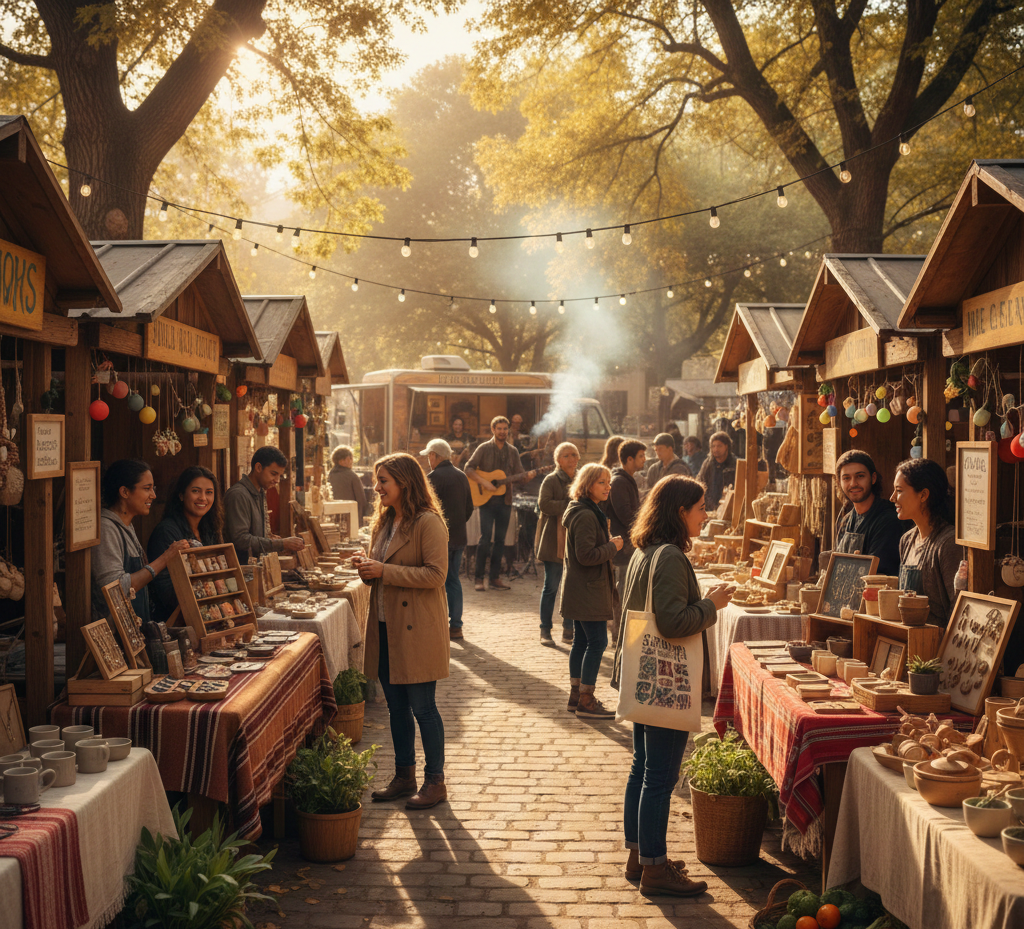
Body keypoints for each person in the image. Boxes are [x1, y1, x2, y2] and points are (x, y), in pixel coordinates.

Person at [612, 475, 731, 897]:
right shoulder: (671, 557)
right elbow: (672, 622)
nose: (705, 515)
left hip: (644, 675)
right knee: (660, 777)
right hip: (665, 680)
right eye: (700, 507)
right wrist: (711, 605)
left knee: (643, 769)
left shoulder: (645, 551)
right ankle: (656, 869)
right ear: (680, 511)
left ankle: (640, 857)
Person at [356, 453, 450, 810]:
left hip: (417, 630)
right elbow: (380, 571)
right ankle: (404, 775)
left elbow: (436, 575)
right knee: (396, 709)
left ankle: (435, 782)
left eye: (383, 481)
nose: (376, 487)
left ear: (404, 483)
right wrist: (367, 569)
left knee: (423, 708)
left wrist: (384, 571)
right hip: (385, 627)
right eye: (377, 480)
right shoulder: (384, 521)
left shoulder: (428, 522)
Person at [92, 460, 191, 625]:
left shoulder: (126, 524)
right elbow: (114, 589)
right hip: (115, 632)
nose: (153, 495)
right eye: (147, 488)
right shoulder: (106, 528)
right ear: (124, 492)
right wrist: (166, 558)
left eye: (153, 488)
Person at [560, 463, 623, 719]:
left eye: (609, 482)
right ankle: (586, 700)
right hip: (588, 589)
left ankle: (577, 696)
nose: (608, 487)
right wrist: (612, 547)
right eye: (602, 482)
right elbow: (585, 555)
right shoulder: (585, 514)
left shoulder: (588, 510)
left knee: (582, 641)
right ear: (588, 486)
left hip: (582, 587)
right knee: (597, 642)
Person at [465, 415, 538, 591]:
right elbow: (468, 468)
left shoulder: (512, 451)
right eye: (499, 429)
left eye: (505, 429)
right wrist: (484, 483)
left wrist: (528, 477)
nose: (502, 432)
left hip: (505, 500)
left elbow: (520, 475)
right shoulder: (483, 448)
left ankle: (494, 578)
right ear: (493, 430)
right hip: (486, 501)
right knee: (484, 539)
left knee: (500, 540)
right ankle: (479, 578)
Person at [147, 466, 223, 623]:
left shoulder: (210, 529)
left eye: (209, 492)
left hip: (208, 615)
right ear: (181, 495)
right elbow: (164, 588)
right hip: (177, 622)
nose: (203, 498)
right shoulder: (166, 531)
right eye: (196, 491)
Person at [891, 458, 960, 627]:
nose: (892, 498)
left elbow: (958, 607)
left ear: (923, 495)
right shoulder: (907, 540)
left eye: (899, 491)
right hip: (908, 636)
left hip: (937, 639)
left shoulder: (948, 543)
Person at [422, 438, 473, 641]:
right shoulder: (461, 476)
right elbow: (469, 508)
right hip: (458, 537)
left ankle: (438, 625)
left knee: (436, 580)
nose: (428, 460)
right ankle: (456, 626)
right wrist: (457, 525)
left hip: (438, 538)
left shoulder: (433, 477)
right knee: (453, 579)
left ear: (434, 455)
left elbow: (425, 508)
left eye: (429, 456)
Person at [833, 450, 909, 577]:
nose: (853, 483)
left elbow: (878, 575)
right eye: (846, 478)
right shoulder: (845, 520)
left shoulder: (888, 520)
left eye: (860, 476)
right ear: (839, 482)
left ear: (873, 478)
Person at [224, 446, 305, 563]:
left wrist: (270, 538)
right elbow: (240, 540)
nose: (277, 480)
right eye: (273, 474)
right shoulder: (238, 495)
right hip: (241, 569)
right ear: (258, 467)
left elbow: (256, 535)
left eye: (280, 475)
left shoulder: (260, 492)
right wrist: (281, 544)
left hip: (255, 567)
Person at [536, 442, 579, 645]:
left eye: (574, 455)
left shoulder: (581, 478)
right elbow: (544, 504)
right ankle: (545, 630)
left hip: (575, 541)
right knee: (551, 587)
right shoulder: (551, 480)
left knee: (571, 588)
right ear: (558, 460)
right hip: (553, 540)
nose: (571, 459)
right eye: (566, 455)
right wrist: (570, 505)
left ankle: (568, 630)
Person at [608, 439, 646, 636]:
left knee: (624, 590)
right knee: (622, 591)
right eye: (641, 456)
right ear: (629, 459)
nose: (644, 459)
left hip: (626, 546)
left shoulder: (626, 479)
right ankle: (619, 634)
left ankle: (621, 633)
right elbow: (626, 515)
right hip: (622, 548)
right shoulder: (619, 482)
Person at [696, 431, 737, 511]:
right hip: (710, 509)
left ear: (726, 446)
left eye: (719, 446)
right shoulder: (707, 464)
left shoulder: (735, 464)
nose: (716, 449)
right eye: (713, 446)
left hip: (730, 508)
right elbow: (700, 484)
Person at [327, 445, 367, 525]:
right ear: (342, 461)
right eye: (350, 458)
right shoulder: (352, 476)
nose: (352, 461)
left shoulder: (330, 475)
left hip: (334, 518)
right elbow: (361, 500)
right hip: (351, 518)